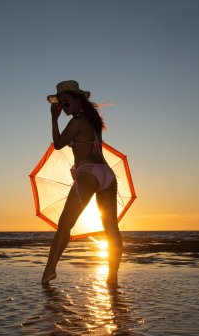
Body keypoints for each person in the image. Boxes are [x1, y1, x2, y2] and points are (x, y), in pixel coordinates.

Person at [41, 80, 122, 287]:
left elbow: (58, 144)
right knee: (111, 227)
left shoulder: (76, 122)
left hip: (88, 173)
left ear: (78, 100)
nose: (64, 107)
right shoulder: (92, 120)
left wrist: (53, 118)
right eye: (61, 103)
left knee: (64, 225)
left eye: (66, 102)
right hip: (107, 174)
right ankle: (112, 277)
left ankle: (49, 271)